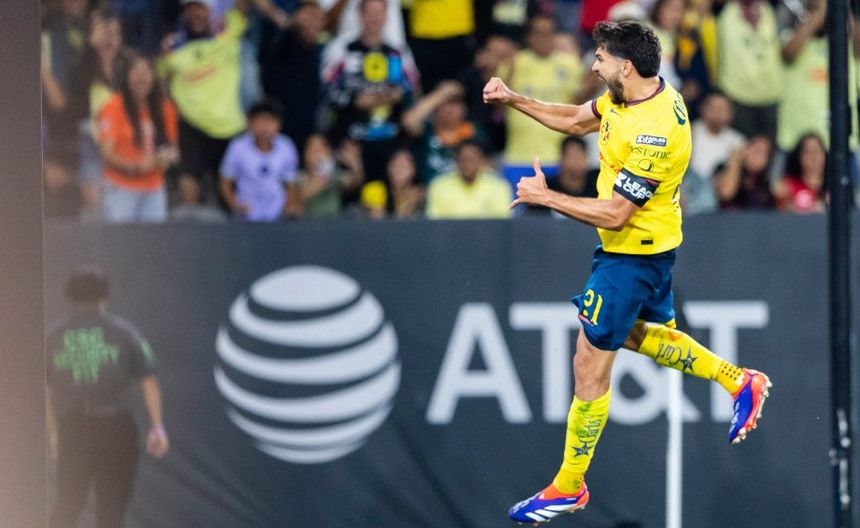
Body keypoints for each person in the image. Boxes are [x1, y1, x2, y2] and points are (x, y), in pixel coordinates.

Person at [483, 20, 771, 524]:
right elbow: (576, 119)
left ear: (626, 66)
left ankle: (568, 485)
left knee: (588, 361)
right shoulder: (631, 94)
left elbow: (617, 213)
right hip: (644, 249)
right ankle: (738, 380)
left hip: (632, 255)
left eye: (600, 58)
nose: (593, 65)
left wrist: (545, 197)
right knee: (639, 336)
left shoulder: (655, 132)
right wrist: (513, 99)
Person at [47, 267, 169, 528]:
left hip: (74, 428)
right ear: (105, 296)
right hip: (117, 428)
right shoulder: (123, 332)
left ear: (68, 296)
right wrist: (157, 427)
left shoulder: (53, 336)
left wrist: (55, 434)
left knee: (66, 506)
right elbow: (149, 381)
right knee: (112, 512)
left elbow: (44, 390)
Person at [159, 0, 250, 202]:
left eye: (200, 9)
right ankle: (189, 221)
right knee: (188, 179)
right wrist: (173, 109)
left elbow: (242, 6)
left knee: (233, 191)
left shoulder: (226, 34)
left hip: (229, 126)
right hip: (191, 125)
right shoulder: (171, 46)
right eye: (190, 9)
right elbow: (161, 80)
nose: (196, 14)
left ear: (210, 11)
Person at [321, 0, 417, 189]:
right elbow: (326, 90)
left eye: (379, 13)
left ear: (386, 16)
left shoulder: (398, 51)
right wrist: (354, 101)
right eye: (370, 13)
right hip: (351, 141)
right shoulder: (342, 49)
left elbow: (411, 88)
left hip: (392, 141)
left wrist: (388, 98)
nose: (374, 18)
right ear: (360, 15)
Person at [497, 15, 583, 190]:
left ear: (555, 36)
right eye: (537, 33)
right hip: (518, 157)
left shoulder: (570, 64)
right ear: (528, 37)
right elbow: (499, 103)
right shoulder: (515, 62)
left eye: (547, 33)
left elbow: (579, 103)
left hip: (557, 159)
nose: (542, 39)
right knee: (517, 207)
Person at [97, 53, 179, 223]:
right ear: (127, 77)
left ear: (153, 77)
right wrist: (134, 167)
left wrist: (165, 157)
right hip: (121, 187)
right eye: (136, 72)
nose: (142, 78)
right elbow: (106, 153)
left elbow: (173, 148)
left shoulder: (166, 108)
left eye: (146, 72)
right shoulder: (113, 106)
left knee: (153, 238)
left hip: (154, 188)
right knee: (121, 237)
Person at [219, 99, 302, 221]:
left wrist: (289, 206)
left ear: (278, 124)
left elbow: (291, 183)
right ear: (250, 124)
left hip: (278, 215)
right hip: (245, 215)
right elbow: (225, 182)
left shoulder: (286, 146)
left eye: (270, 121)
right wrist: (234, 205)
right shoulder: (238, 146)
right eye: (260, 121)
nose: (265, 127)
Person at [716, 0, 782, 140]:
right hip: (737, 95)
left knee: (768, 148)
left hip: (770, 94)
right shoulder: (726, 11)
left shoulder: (768, 10)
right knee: (741, 145)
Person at [401, 80, 487, 183]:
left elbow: (487, 166)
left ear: (464, 108)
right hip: (430, 190)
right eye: (445, 104)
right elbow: (408, 121)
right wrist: (440, 94)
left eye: (456, 104)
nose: (450, 109)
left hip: (465, 190)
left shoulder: (473, 133)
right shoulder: (428, 131)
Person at [425, 140, 512, 219]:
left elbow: (503, 221)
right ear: (456, 161)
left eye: (471, 160)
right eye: (462, 159)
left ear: (481, 161)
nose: (466, 164)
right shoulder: (439, 186)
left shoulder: (498, 186)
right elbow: (433, 221)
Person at [298, 134, 364, 218]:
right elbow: (289, 207)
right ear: (305, 154)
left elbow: (356, 182)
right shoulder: (299, 177)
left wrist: (353, 163)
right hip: (308, 223)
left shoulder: (335, 176)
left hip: (333, 223)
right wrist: (312, 188)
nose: (316, 153)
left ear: (328, 152)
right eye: (312, 149)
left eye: (320, 148)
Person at [714, 135, 775, 210]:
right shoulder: (724, 168)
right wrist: (735, 160)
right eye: (757, 150)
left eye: (764, 153)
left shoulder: (764, 183)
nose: (758, 157)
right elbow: (726, 193)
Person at [775, 133, 827, 213]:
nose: (813, 157)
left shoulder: (835, 186)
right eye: (807, 152)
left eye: (817, 151)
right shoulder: (788, 187)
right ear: (799, 157)